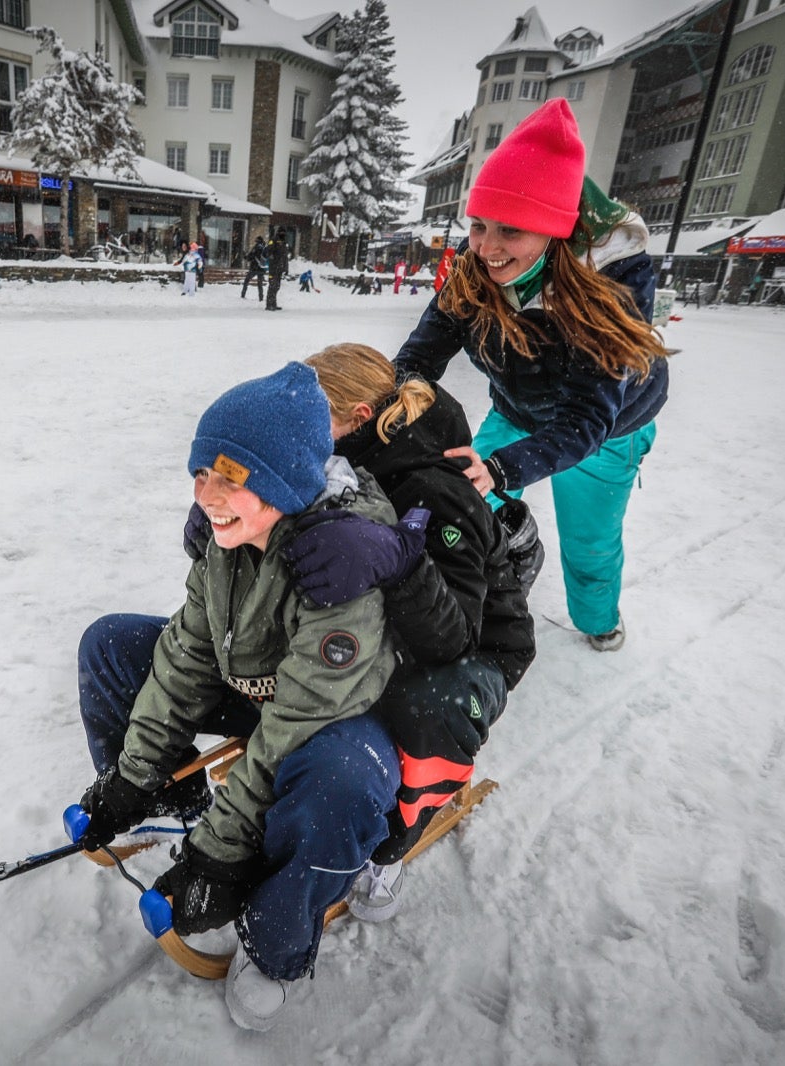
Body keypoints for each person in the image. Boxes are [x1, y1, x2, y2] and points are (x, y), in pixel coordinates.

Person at [74, 362, 401, 1031]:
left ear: (283, 482)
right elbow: (186, 654)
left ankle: (277, 939)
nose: (206, 494)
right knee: (110, 643)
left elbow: (296, 724)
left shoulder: (336, 562)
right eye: (201, 473)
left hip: (334, 723)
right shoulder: (228, 537)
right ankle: (169, 796)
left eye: (229, 477)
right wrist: (133, 777)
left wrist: (220, 852)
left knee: (339, 785)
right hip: (260, 688)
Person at [393, 98, 671, 652]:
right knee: (456, 492)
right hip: (517, 409)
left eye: (511, 231)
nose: (488, 248)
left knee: (588, 540)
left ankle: (598, 620)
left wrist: (501, 467)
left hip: (606, 431)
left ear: (553, 230)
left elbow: (587, 416)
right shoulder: (478, 268)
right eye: (478, 226)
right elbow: (421, 355)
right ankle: (498, 562)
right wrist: (389, 404)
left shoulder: (612, 284)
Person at [293, 342, 536, 918]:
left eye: (312, 414)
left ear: (356, 418)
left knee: (424, 701)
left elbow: (452, 639)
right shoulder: (345, 462)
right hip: (391, 626)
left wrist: (397, 562)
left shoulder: (433, 490)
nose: (299, 427)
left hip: (473, 652)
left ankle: (397, 837)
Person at [265, 229, 289, 311]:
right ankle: (269, 305)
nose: (283, 234)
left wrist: (286, 268)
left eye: (284, 233)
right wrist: (272, 258)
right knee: (272, 286)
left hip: (280, 269)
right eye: (282, 232)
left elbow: (285, 257)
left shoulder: (284, 243)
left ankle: (273, 304)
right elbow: (268, 251)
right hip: (273, 268)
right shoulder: (273, 240)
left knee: (277, 287)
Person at [240, 235, 268, 301]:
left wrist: (245, 256)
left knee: (246, 280)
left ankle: (243, 295)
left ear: (257, 241)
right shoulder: (264, 247)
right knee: (260, 284)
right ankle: (261, 297)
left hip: (255, 268)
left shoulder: (256, 247)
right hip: (262, 268)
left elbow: (250, 257)